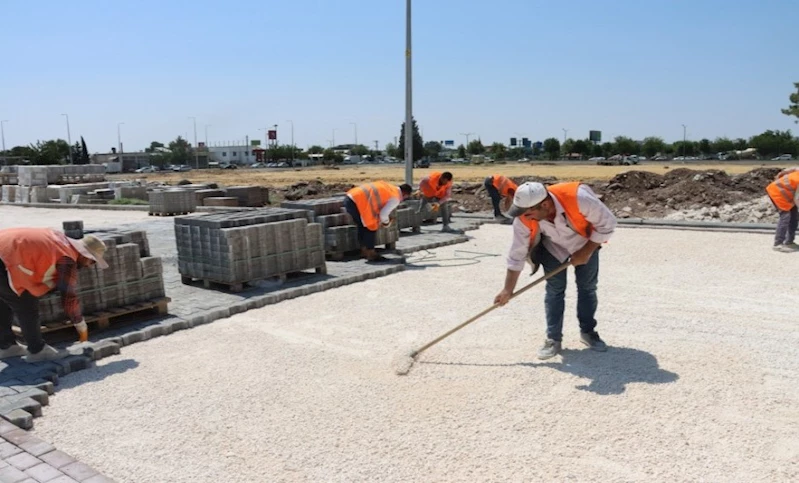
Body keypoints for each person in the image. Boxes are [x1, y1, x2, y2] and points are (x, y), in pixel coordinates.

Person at [494, 181, 617, 360]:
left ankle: (588, 332)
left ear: (545, 204)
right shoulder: (523, 216)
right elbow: (517, 253)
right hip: (552, 247)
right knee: (554, 290)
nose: (526, 218)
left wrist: (585, 252)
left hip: (585, 242)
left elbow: (608, 223)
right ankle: (553, 339)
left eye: (529, 213)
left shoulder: (579, 197)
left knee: (587, 287)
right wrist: (507, 289)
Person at [0, 228, 108, 362]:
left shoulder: (60, 239)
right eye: (93, 261)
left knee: (4, 301)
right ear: (84, 254)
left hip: (4, 251)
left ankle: (7, 346)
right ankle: (38, 351)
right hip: (4, 260)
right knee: (26, 306)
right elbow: (68, 297)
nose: (91, 266)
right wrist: (81, 325)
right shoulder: (67, 258)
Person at [345, 181, 413, 261]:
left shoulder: (389, 186)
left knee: (362, 225)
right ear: (405, 194)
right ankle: (371, 254)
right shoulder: (395, 197)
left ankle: (364, 251)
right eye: (406, 197)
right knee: (371, 226)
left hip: (350, 198)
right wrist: (386, 222)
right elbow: (383, 214)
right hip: (358, 202)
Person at [765, 167, 799, 252]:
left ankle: (789, 242)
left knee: (794, 217)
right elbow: (797, 199)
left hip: (785, 194)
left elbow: (793, 168)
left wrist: (780, 175)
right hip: (777, 193)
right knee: (785, 217)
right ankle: (778, 244)